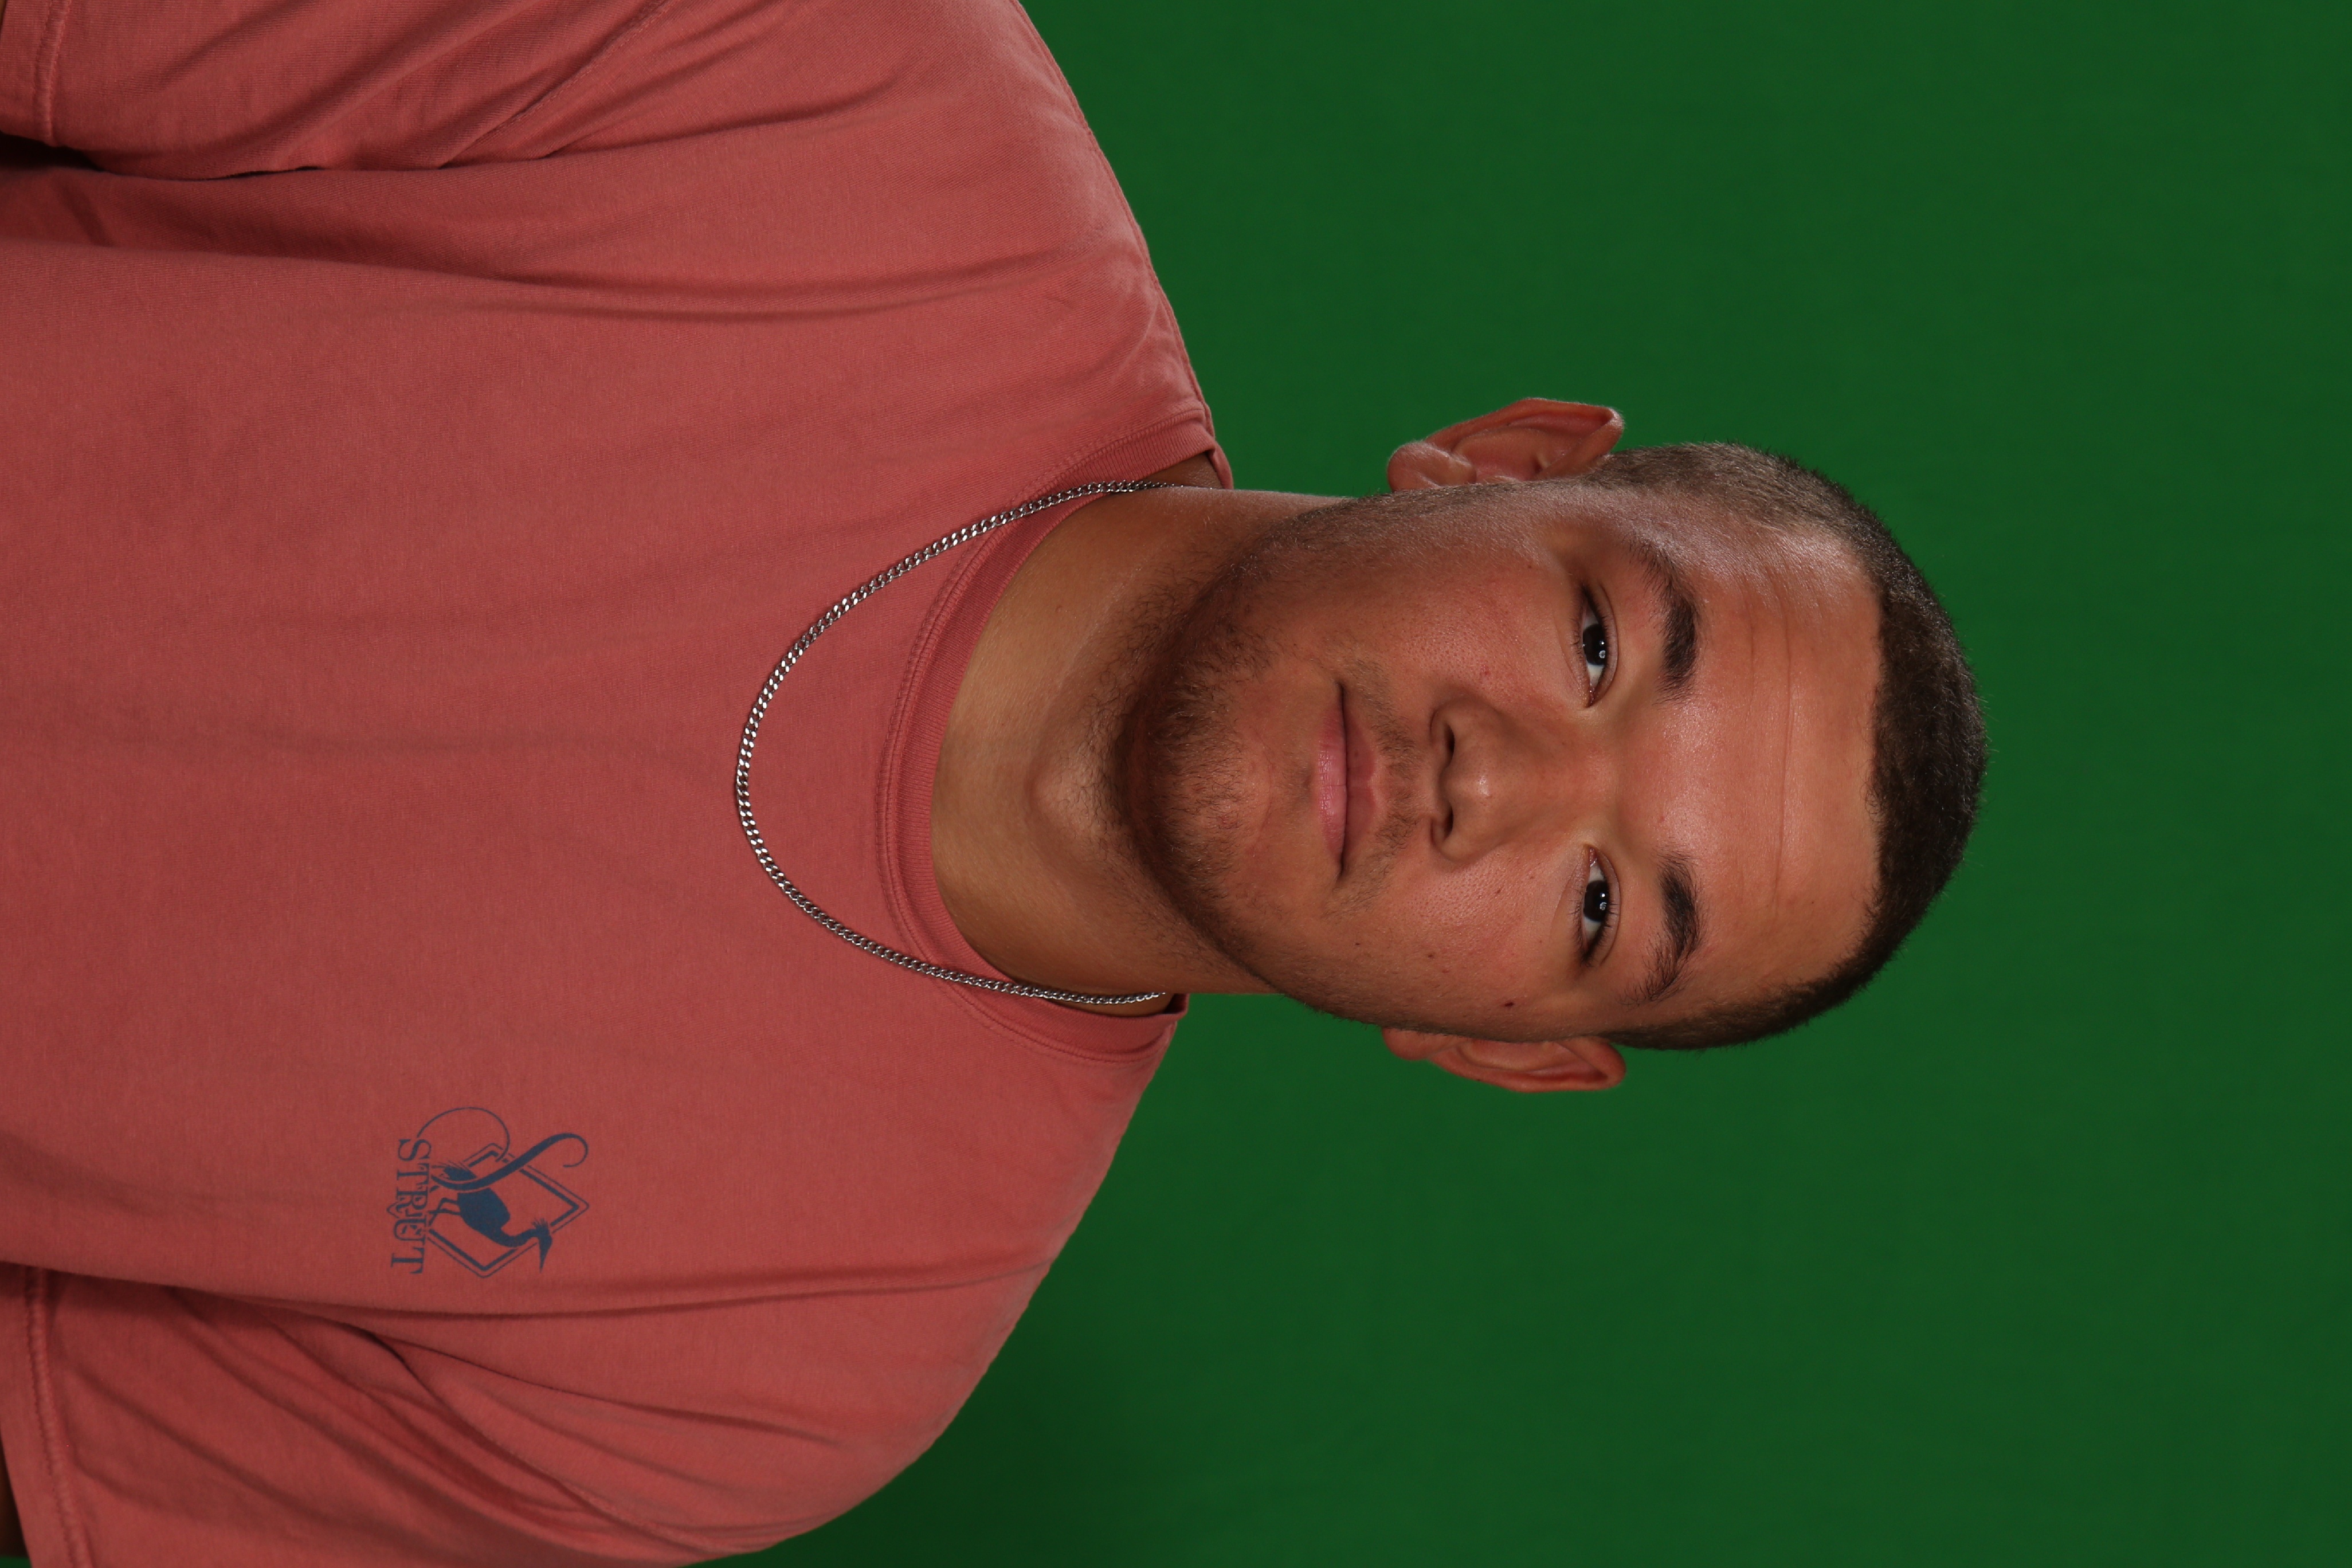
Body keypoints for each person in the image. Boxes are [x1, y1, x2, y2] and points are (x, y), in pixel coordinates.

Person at [0, 0, 1986, 1562]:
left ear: (1501, 1051)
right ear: (1507, 458)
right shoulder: (835, 87)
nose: (1504, 784)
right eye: (1600, 646)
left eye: (1602, 905)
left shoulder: (766, 1383)